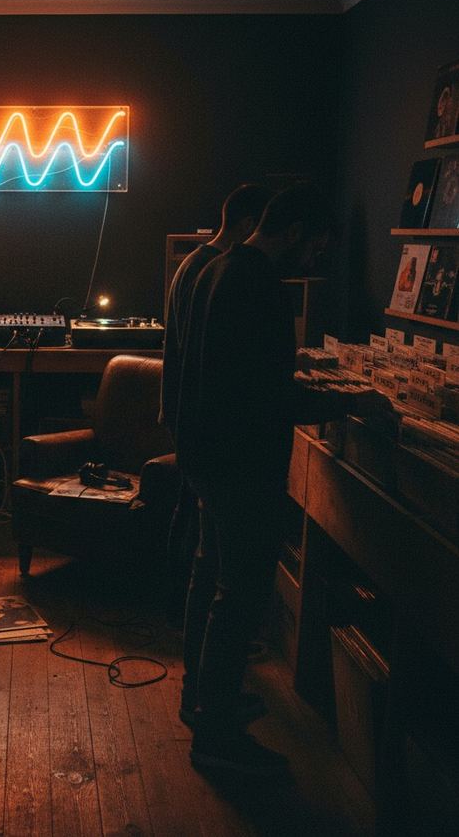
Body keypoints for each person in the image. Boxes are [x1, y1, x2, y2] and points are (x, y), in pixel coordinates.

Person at [174, 182, 392, 776]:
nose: (316, 260)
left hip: (205, 456)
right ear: (296, 233)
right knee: (239, 597)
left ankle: (202, 703)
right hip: (240, 465)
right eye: (317, 246)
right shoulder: (259, 286)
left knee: (211, 578)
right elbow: (266, 396)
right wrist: (347, 404)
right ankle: (216, 738)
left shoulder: (217, 269)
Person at [159, 183, 273, 628]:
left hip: (185, 409)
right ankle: (181, 614)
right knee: (194, 524)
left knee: (190, 516)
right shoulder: (215, 270)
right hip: (197, 413)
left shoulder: (194, 263)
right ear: (247, 225)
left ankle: (180, 613)